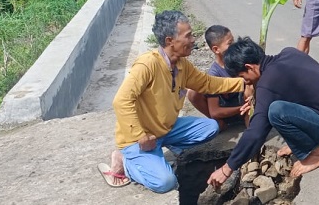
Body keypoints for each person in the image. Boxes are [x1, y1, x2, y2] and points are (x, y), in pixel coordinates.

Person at [97, 10, 246, 193]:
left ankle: (163, 152)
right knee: (165, 182)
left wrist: (243, 82)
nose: (193, 40)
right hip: (140, 138)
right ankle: (124, 161)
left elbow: (208, 84)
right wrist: (140, 135)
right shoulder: (147, 64)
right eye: (188, 35)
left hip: (166, 129)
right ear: (170, 41)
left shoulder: (182, 65)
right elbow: (121, 101)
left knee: (211, 127)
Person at [206, 37, 319, 189]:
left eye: (242, 77)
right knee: (278, 106)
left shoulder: (268, 83)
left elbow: (256, 132)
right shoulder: (289, 53)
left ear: (250, 67)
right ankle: (303, 142)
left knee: (276, 111)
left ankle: (316, 155)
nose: (245, 82)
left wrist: (227, 168)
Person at [186, 25, 253, 130]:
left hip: (246, 109)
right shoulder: (214, 74)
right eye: (230, 43)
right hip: (231, 112)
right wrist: (242, 108)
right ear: (216, 49)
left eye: (233, 41)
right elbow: (215, 112)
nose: (234, 46)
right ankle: (222, 125)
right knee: (192, 92)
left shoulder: (239, 60)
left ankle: (250, 122)